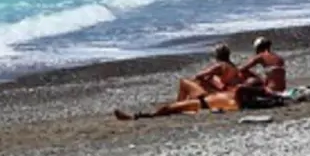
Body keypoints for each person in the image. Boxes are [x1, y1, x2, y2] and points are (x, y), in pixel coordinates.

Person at [113, 43, 264, 120]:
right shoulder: (236, 87)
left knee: (170, 106)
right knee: (173, 105)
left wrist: (206, 79)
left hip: (204, 102)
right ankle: (176, 105)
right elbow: (253, 85)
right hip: (207, 100)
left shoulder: (235, 92)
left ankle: (136, 117)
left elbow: (201, 75)